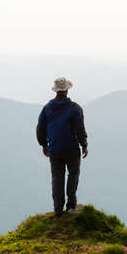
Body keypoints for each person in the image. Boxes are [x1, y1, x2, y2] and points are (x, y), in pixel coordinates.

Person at [36, 77, 88, 217]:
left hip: (54, 150)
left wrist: (44, 145)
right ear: (66, 90)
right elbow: (80, 130)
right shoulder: (75, 109)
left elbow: (40, 128)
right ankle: (71, 205)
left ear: (56, 91)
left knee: (57, 177)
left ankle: (58, 208)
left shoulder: (47, 108)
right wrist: (84, 145)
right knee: (73, 174)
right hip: (71, 149)